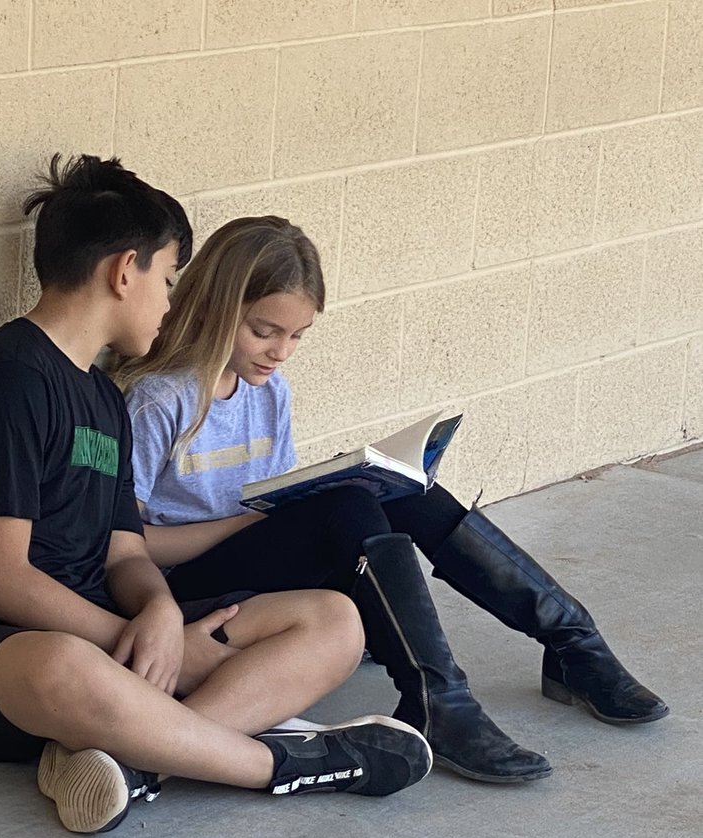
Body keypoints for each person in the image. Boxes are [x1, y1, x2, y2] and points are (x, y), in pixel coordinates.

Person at [0, 159, 434, 836]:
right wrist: (147, 643)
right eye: (169, 278)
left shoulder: (100, 396)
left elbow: (126, 548)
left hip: (108, 639)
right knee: (66, 666)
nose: (174, 302)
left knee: (333, 622)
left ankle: (132, 763)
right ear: (125, 271)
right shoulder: (3, 380)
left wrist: (156, 612)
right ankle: (288, 764)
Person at [116, 216, 668, 785]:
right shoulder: (159, 400)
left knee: (408, 491)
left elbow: (266, 500)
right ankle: (439, 699)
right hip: (185, 588)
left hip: (255, 563)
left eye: (297, 336)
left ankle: (572, 641)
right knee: (347, 505)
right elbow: (129, 545)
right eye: (264, 331)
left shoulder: (267, 389)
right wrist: (242, 526)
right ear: (216, 305)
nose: (281, 351)